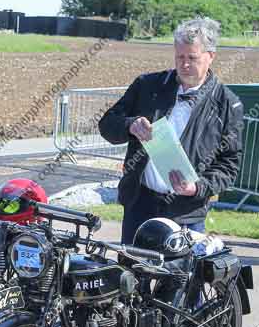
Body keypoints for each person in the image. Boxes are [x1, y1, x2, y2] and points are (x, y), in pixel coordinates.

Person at [98, 17, 244, 245]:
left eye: (192, 58)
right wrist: (130, 125)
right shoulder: (147, 85)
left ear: (211, 56)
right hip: (140, 204)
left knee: (178, 279)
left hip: (186, 212)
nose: (184, 64)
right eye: (180, 57)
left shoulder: (228, 105)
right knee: (132, 275)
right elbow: (107, 124)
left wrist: (197, 187)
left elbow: (229, 164)